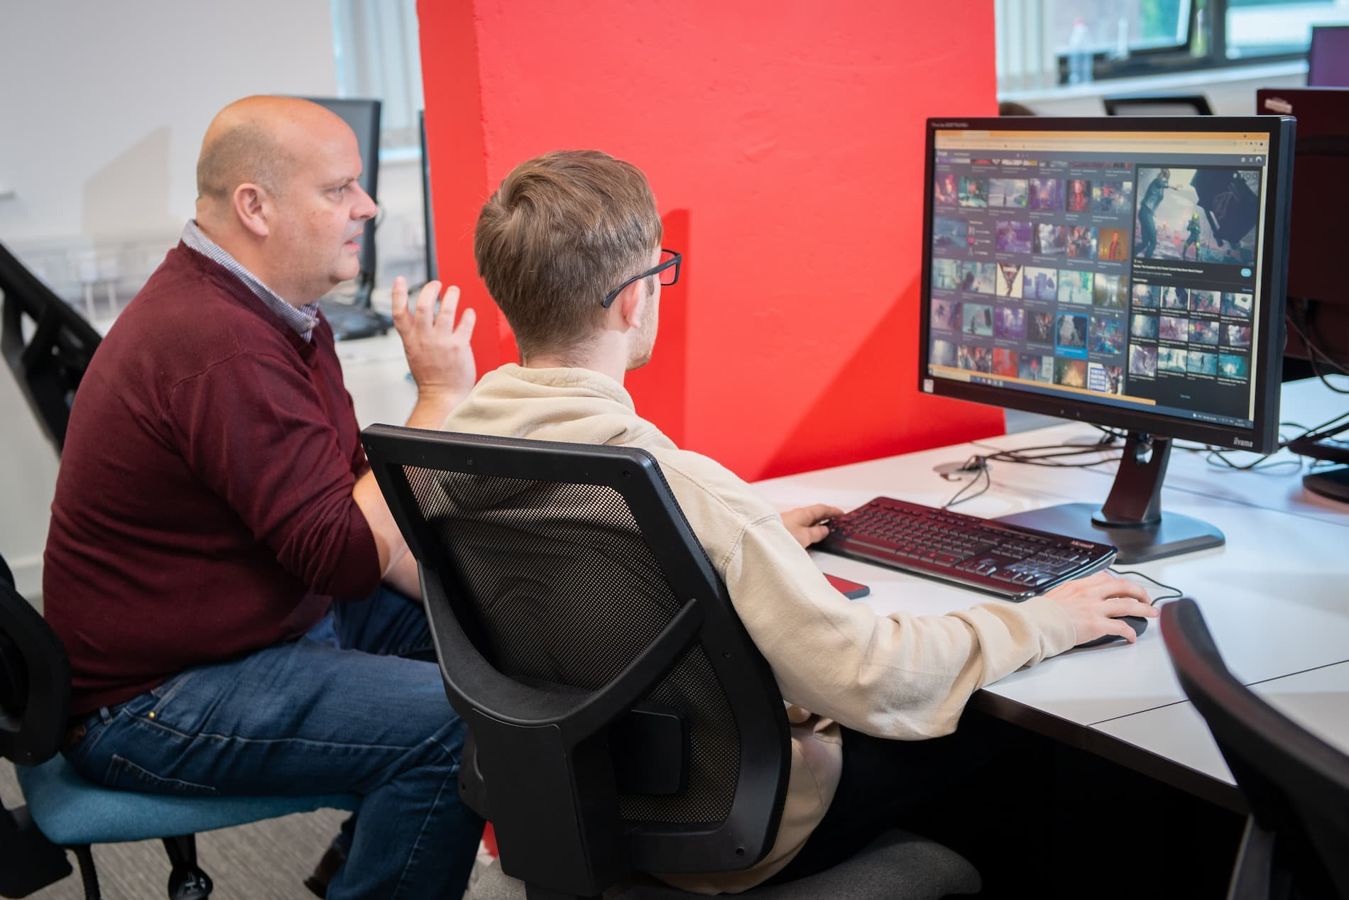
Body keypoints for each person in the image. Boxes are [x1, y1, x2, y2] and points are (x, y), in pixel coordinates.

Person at [443, 150, 1157, 892]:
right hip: (728, 819)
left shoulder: (454, 455)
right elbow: (871, 676)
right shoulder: (678, 487)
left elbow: (580, 582)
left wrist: (708, 553)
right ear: (633, 300)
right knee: (1011, 729)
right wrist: (1045, 621)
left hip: (594, 793)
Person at [43, 96, 484, 899]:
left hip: (265, 624)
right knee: (455, 725)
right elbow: (348, 552)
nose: (368, 206)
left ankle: (360, 867)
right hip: (148, 701)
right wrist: (437, 403)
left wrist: (481, 605)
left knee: (490, 643)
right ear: (256, 206)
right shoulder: (217, 343)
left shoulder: (275, 314)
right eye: (340, 189)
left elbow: (346, 500)